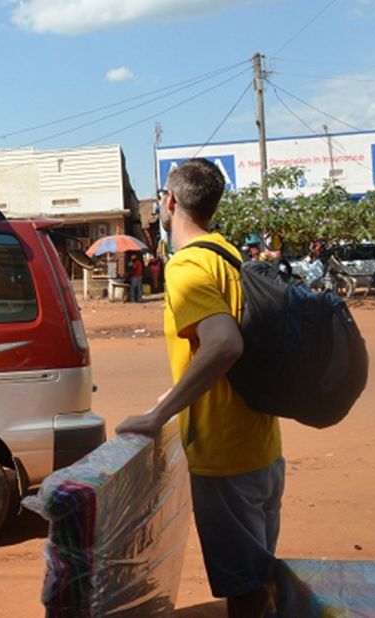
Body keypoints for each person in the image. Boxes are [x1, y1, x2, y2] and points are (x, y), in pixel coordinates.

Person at [116, 158, 283, 617]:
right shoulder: (226, 253)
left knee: (245, 589)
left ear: (170, 202)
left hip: (224, 455)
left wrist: (159, 414)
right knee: (259, 576)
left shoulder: (187, 267)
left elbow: (225, 344)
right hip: (262, 446)